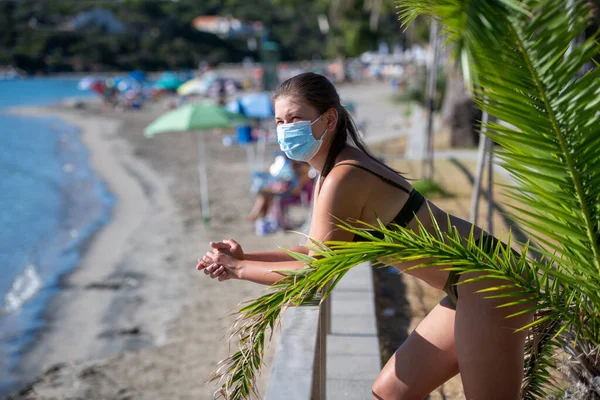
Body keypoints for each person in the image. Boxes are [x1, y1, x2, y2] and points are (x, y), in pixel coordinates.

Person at [196, 72, 531, 400]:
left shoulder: (343, 177)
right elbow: (315, 251)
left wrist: (238, 270)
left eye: (295, 118)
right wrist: (245, 258)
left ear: (329, 119)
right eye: (280, 122)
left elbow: (315, 276)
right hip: (466, 284)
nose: (286, 130)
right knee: (390, 393)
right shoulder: (331, 171)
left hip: (489, 281)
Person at [245, 160, 313, 226]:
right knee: (265, 193)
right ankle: (261, 218)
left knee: (267, 194)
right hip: (289, 193)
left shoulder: (304, 175)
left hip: (294, 197)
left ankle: (258, 216)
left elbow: (296, 192)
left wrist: (286, 190)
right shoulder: (298, 174)